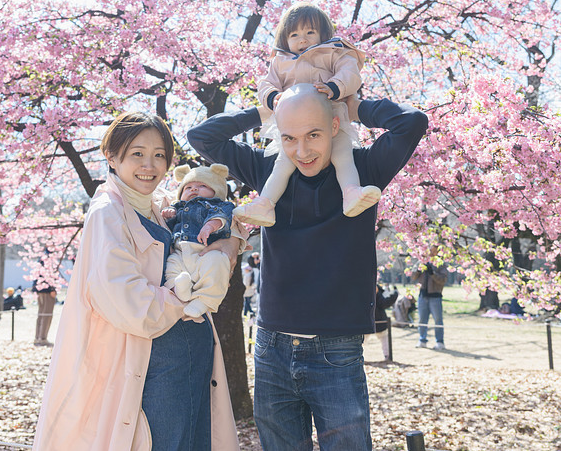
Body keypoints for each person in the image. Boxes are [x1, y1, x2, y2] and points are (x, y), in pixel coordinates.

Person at [188, 83, 428, 450]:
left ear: (335, 126)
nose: (301, 151)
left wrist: (354, 105)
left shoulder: (363, 171)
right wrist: (268, 108)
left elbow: (412, 122)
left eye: (313, 135)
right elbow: (201, 136)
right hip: (271, 345)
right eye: (289, 138)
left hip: (337, 348)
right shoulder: (270, 173)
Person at [32, 111, 242, 451]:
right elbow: (129, 303)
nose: (150, 165)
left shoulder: (156, 206)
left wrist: (231, 241)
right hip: (155, 363)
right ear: (112, 157)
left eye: (159, 155)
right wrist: (185, 294)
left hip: (186, 356)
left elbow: (223, 216)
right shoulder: (108, 214)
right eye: (137, 154)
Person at [233, 2, 381, 227]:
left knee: (342, 154)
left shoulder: (333, 52)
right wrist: (273, 97)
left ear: (323, 34)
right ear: (285, 39)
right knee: (283, 164)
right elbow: (265, 85)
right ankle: (265, 203)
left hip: (331, 118)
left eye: (310, 32)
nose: (302, 39)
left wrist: (334, 86)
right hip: (293, 127)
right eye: (294, 34)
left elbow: (350, 73)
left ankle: (351, 192)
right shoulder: (280, 62)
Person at [161, 163, 236, 317]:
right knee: (172, 266)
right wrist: (169, 215)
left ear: (217, 190)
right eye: (188, 187)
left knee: (218, 263)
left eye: (202, 185)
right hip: (181, 253)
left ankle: (205, 300)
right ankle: (180, 289)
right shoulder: (178, 208)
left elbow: (222, 216)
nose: (194, 189)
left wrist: (210, 225)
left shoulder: (217, 205)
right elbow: (167, 228)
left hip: (205, 252)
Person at [413, 248, 448, 350]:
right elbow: (413, 276)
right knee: (422, 319)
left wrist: (432, 273)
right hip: (422, 296)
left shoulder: (440, 263)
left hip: (435, 296)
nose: (431, 251)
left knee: (438, 320)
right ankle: (422, 340)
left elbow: (443, 280)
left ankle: (440, 342)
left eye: (433, 249)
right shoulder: (421, 260)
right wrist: (419, 270)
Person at [367, 284, 398, 361]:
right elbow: (383, 303)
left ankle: (387, 355)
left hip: (372, 319)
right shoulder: (373, 287)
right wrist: (394, 293)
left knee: (383, 338)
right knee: (383, 338)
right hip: (374, 319)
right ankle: (387, 355)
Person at [33, 277, 57, 346]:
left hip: (39, 288)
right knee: (46, 315)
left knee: (41, 314)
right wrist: (52, 289)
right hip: (47, 289)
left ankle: (38, 337)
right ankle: (42, 338)